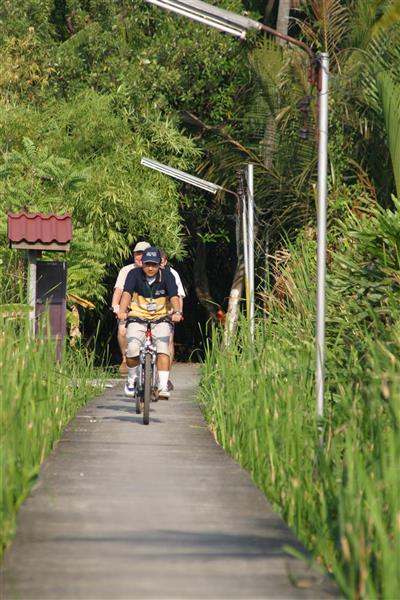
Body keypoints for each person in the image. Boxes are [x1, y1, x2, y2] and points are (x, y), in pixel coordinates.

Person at [118, 247, 183, 399]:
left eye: (154, 265)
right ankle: (132, 379)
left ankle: (162, 385)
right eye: (147, 264)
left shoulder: (167, 276)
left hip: (161, 317)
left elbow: (174, 296)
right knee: (132, 348)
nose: (150, 268)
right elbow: (126, 293)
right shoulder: (133, 274)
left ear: (160, 264)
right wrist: (122, 311)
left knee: (163, 349)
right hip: (137, 316)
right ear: (142, 264)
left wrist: (177, 312)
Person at [111, 241, 150, 374]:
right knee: (122, 329)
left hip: (151, 309)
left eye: (143, 254)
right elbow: (119, 290)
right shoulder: (126, 270)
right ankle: (125, 358)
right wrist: (115, 306)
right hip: (130, 309)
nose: (140, 257)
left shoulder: (155, 270)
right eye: (137, 253)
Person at [160, 250, 186, 387]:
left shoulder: (172, 274)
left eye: (161, 262)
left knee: (168, 341)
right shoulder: (144, 272)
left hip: (167, 311)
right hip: (147, 311)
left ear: (165, 261)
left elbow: (178, 296)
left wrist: (178, 312)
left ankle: (165, 376)